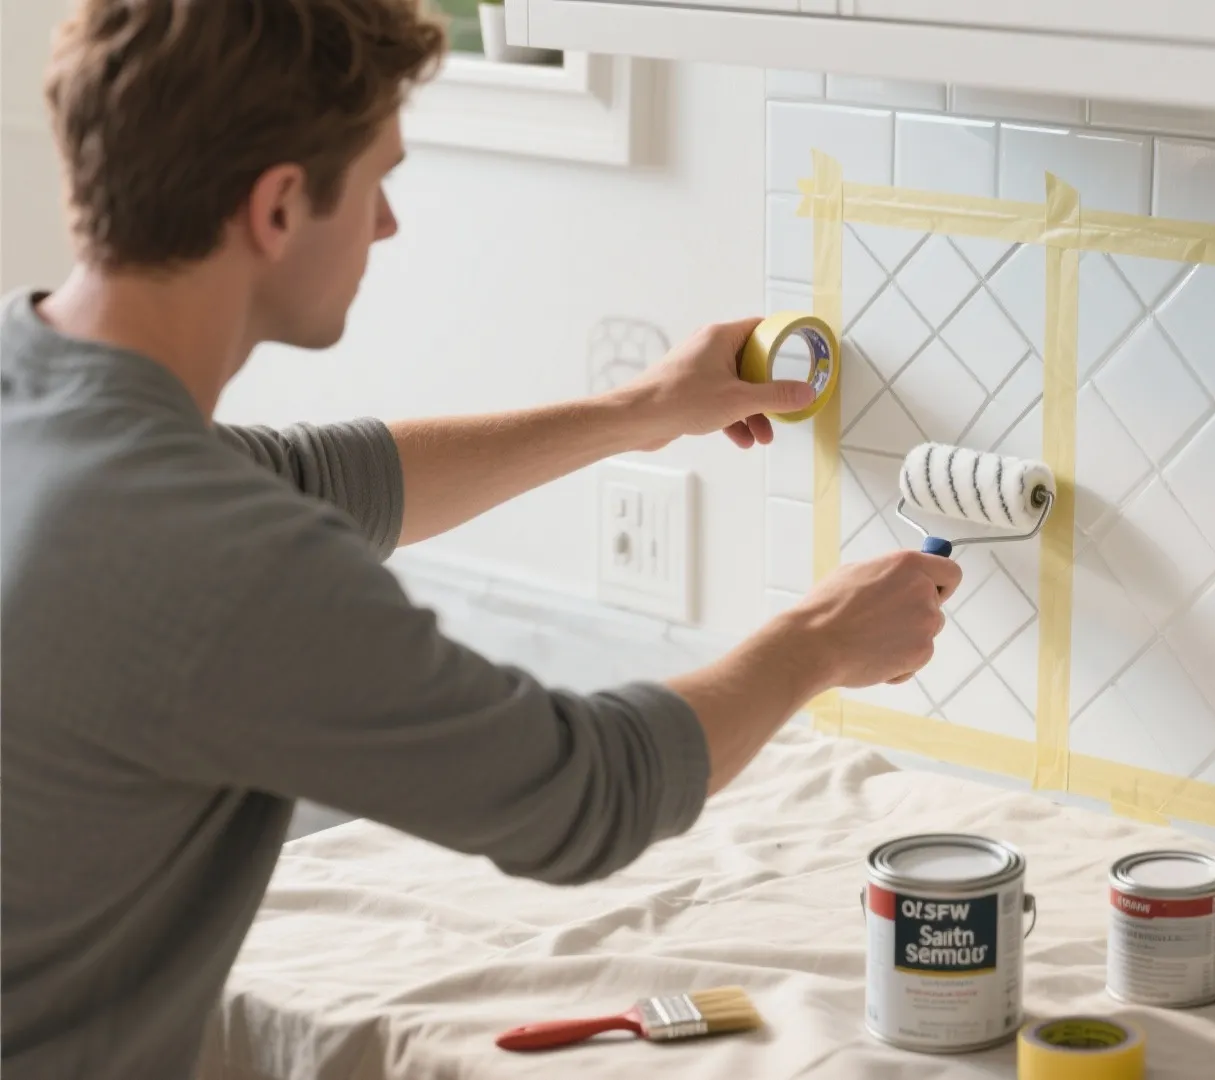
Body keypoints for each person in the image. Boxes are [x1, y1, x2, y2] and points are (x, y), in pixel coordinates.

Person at [0, 1, 962, 1076]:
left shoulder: (42, 396)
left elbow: (326, 480)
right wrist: (820, 640)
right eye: (378, 182)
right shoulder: (210, 558)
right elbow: (584, 796)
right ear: (277, 207)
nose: (385, 226)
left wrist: (638, 409)